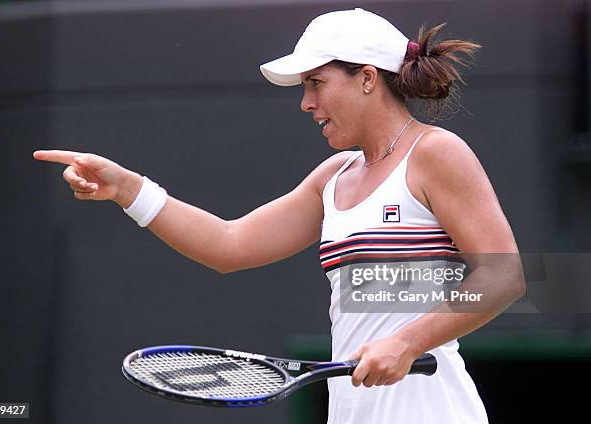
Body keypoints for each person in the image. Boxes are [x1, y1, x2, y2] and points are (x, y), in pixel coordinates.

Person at [34, 8, 525, 424]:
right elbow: (229, 246)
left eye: (316, 83)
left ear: (368, 79)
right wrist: (128, 189)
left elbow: (505, 275)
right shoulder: (334, 176)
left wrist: (405, 341)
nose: (306, 102)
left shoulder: (435, 152)